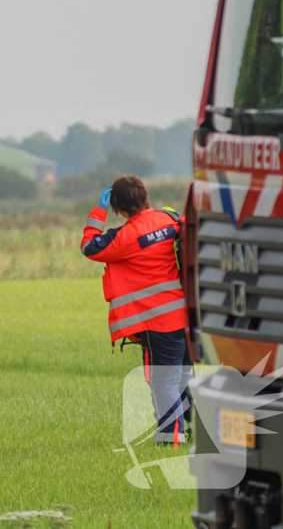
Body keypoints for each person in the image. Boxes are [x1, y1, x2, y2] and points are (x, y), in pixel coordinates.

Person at [80, 175, 191, 446]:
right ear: (145, 196)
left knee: (163, 383)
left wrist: (99, 210)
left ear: (118, 207)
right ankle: (189, 431)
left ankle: (170, 438)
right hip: (187, 315)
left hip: (157, 320)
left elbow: (89, 246)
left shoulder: (124, 236)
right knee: (185, 377)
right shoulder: (172, 219)